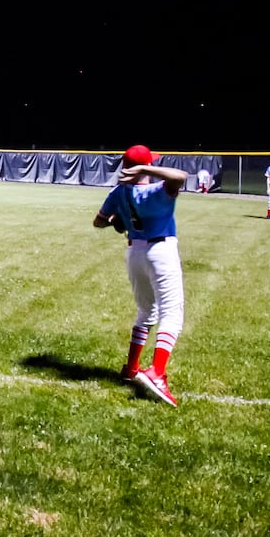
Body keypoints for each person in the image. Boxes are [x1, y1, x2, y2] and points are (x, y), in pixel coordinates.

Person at [92, 144, 189, 407]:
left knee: (146, 312)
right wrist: (146, 168)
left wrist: (116, 220)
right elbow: (180, 177)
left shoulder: (118, 192)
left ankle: (131, 368)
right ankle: (157, 372)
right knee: (172, 314)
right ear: (144, 165)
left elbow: (98, 222)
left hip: (135, 253)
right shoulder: (159, 189)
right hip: (160, 250)